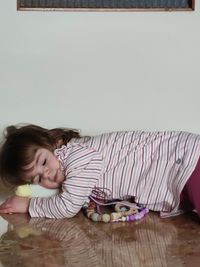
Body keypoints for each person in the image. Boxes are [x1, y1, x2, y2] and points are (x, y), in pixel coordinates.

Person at [0, 124, 199, 219]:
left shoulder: (76, 156)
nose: (47, 175)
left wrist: (30, 205)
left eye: (43, 162)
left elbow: (67, 206)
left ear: (53, 144)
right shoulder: (71, 165)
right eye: (37, 178)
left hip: (181, 159)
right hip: (181, 171)